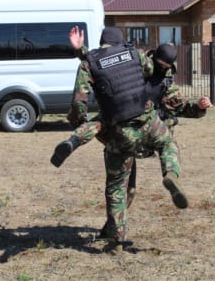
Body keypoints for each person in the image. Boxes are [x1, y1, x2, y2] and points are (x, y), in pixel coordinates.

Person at [58, 25, 189, 253]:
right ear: (121, 42)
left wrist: (79, 120)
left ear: (102, 42)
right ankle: (170, 173)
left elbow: (80, 99)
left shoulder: (89, 62)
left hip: (120, 131)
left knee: (118, 187)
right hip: (148, 122)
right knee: (168, 143)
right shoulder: (135, 54)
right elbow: (152, 71)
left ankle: (116, 241)